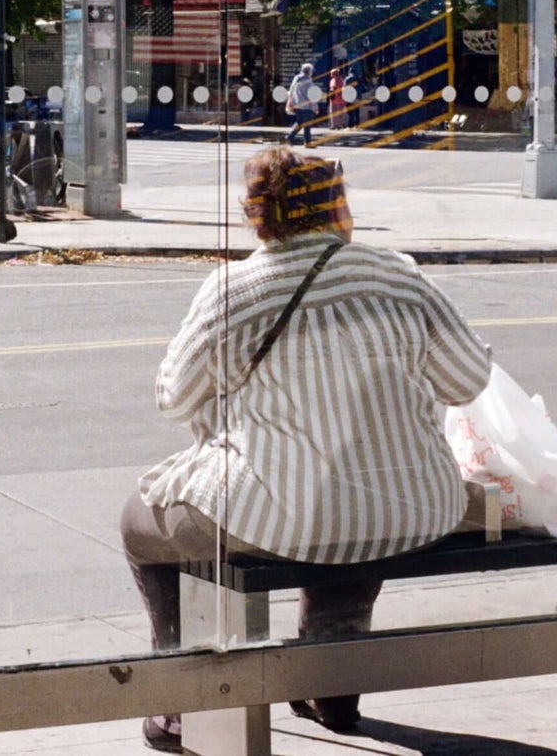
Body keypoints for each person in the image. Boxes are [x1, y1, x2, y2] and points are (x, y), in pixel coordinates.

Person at [122, 148, 493, 751]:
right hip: (415, 508)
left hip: (285, 514)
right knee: (358, 500)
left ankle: (180, 702)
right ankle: (332, 687)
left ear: (258, 216)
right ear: (338, 208)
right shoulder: (399, 273)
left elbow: (173, 398)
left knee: (140, 525)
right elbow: (468, 381)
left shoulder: (234, 289)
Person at [285, 62, 320, 145]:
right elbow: (312, 96)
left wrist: (291, 103)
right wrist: (315, 107)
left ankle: (290, 137)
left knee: (299, 123)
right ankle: (307, 142)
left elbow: (291, 92)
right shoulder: (308, 82)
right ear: (309, 72)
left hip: (297, 105)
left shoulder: (296, 80)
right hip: (306, 107)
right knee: (307, 125)